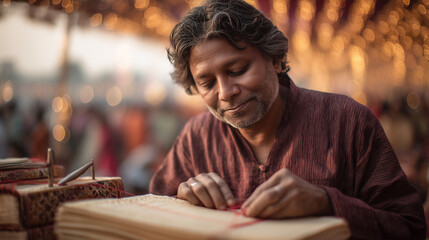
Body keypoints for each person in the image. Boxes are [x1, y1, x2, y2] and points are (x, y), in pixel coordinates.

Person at [149, 0, 426, 239]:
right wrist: (180, 202)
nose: (226, 93)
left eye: (237, 70)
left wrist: (326, 203)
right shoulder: (197, 137)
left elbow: (408, 226)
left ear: (275, 60)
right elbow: (152, 214)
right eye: (207, 83)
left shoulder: (348, 121)